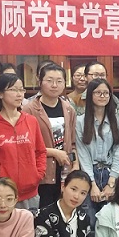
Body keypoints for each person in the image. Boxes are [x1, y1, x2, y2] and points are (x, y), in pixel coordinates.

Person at [0, 74, 47, 211]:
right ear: (0, 94)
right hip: (2, 193)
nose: (19, 94)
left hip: (30, 192)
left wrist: (38, 174)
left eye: (21, 90)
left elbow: (40, 151)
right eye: (13, 90)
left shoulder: (31, 121)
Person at [22, 63, 78, 207]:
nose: (54, 85)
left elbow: (73, 143)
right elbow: (25, 146)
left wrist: (76, 164)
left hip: (64, 170)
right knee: (44, 211)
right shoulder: (29, 110)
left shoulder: (69, 109)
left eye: (59, 81)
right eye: (49, 80)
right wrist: (54, 152)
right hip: (42, 171)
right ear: (40, 82)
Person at [76, 78, 119, 227]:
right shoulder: (80, 121)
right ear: (90, 95)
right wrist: (92, 184)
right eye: (98, 93)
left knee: (111, 222)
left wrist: (111, 183)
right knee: (89, 222)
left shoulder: (117, 120)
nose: (103, 96)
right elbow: (83, 154)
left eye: (106, 93)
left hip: (111, 173)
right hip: (88, 174)